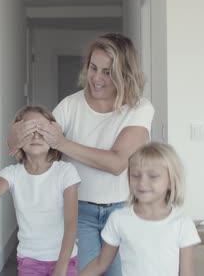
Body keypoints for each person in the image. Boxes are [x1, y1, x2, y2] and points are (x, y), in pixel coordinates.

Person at [8, 33, 154, 275]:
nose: (96, 78)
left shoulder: (139, 108)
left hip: (122, 211)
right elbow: (25, 148)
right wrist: (16, 136)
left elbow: (117, 162)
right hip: (79, 212)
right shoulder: (69, 106)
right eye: (93, 68)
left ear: (124, 74)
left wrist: (62, 143)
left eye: (107, 72)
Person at [0, 105, 81, 276]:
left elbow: (71, 225)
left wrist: (61, 268)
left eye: (42, 130)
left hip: (64, 259)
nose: (36, 136)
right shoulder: (12, 174)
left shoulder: (66, 172)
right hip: (30, 261)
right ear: (17, 138)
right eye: (29, 130)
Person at [79, 142, 200, 276]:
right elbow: (100, 264)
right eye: (135, 175)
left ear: (171, 181)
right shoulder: (119, 219)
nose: (142, 183)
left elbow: (187, 273)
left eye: (153, 176)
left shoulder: (182, 223)